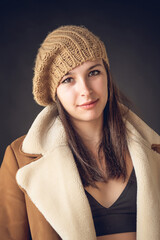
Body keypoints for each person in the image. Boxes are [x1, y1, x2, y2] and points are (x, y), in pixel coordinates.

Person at [0, 25, 160, 240]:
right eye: (68, 79)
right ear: (54, 92)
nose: (86, 90)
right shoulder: (19, 159)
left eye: (94, 72)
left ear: (107, 76)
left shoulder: (154, 151)